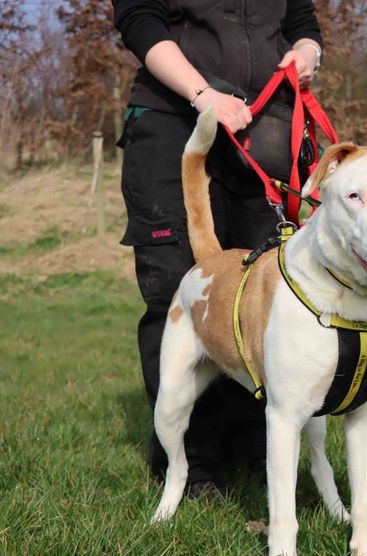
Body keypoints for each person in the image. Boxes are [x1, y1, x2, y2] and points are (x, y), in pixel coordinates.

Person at [112, 0, 323, 494]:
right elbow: (140, 20)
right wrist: (203, 94)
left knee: (266, 301)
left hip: (265, 125)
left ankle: (255, 448)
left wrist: (308, 52)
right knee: (177, 292)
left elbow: (302, 23)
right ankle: (191, 464)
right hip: (173, 120)